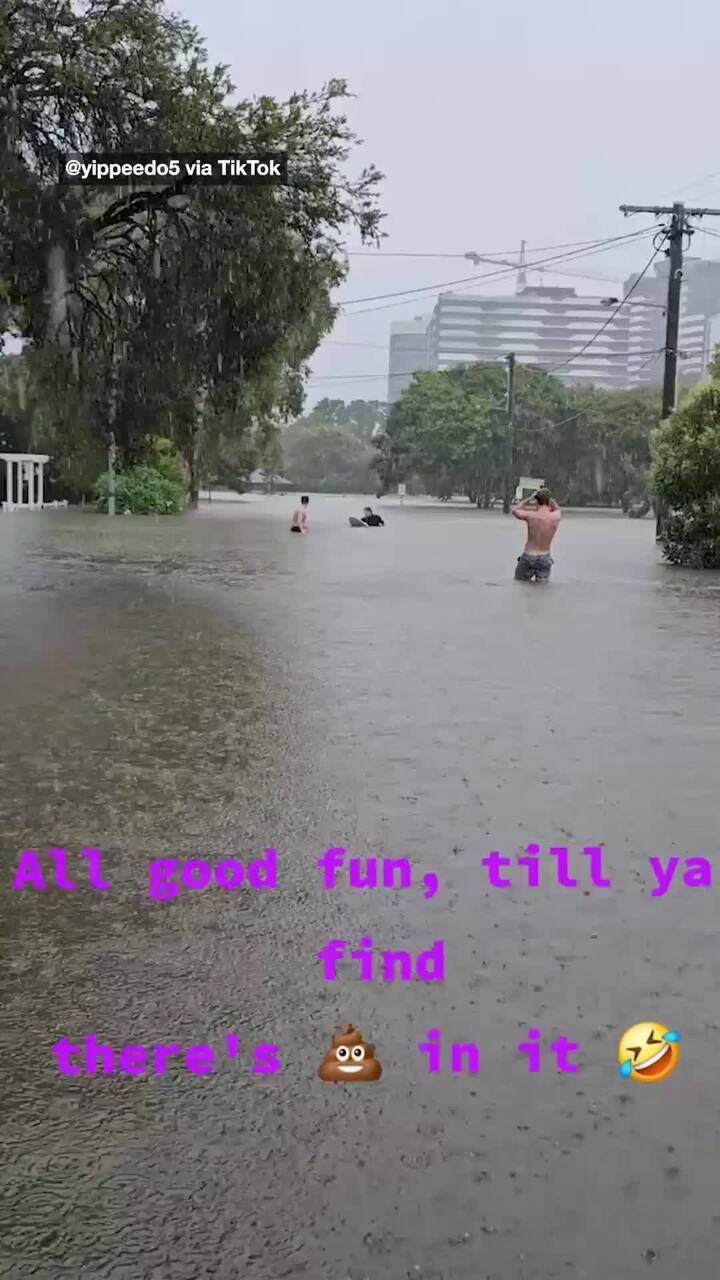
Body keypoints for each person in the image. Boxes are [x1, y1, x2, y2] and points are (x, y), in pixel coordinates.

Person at [511, 488, 560, 581]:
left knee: (519, 583)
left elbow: (514, 510)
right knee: (541, 590)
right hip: (545, 557)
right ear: (549, 502)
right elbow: (557, 508)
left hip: (529, 556)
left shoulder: (531, 515)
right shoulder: (556, 516)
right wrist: (549, 498)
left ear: (536, 501)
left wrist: (529, 498)